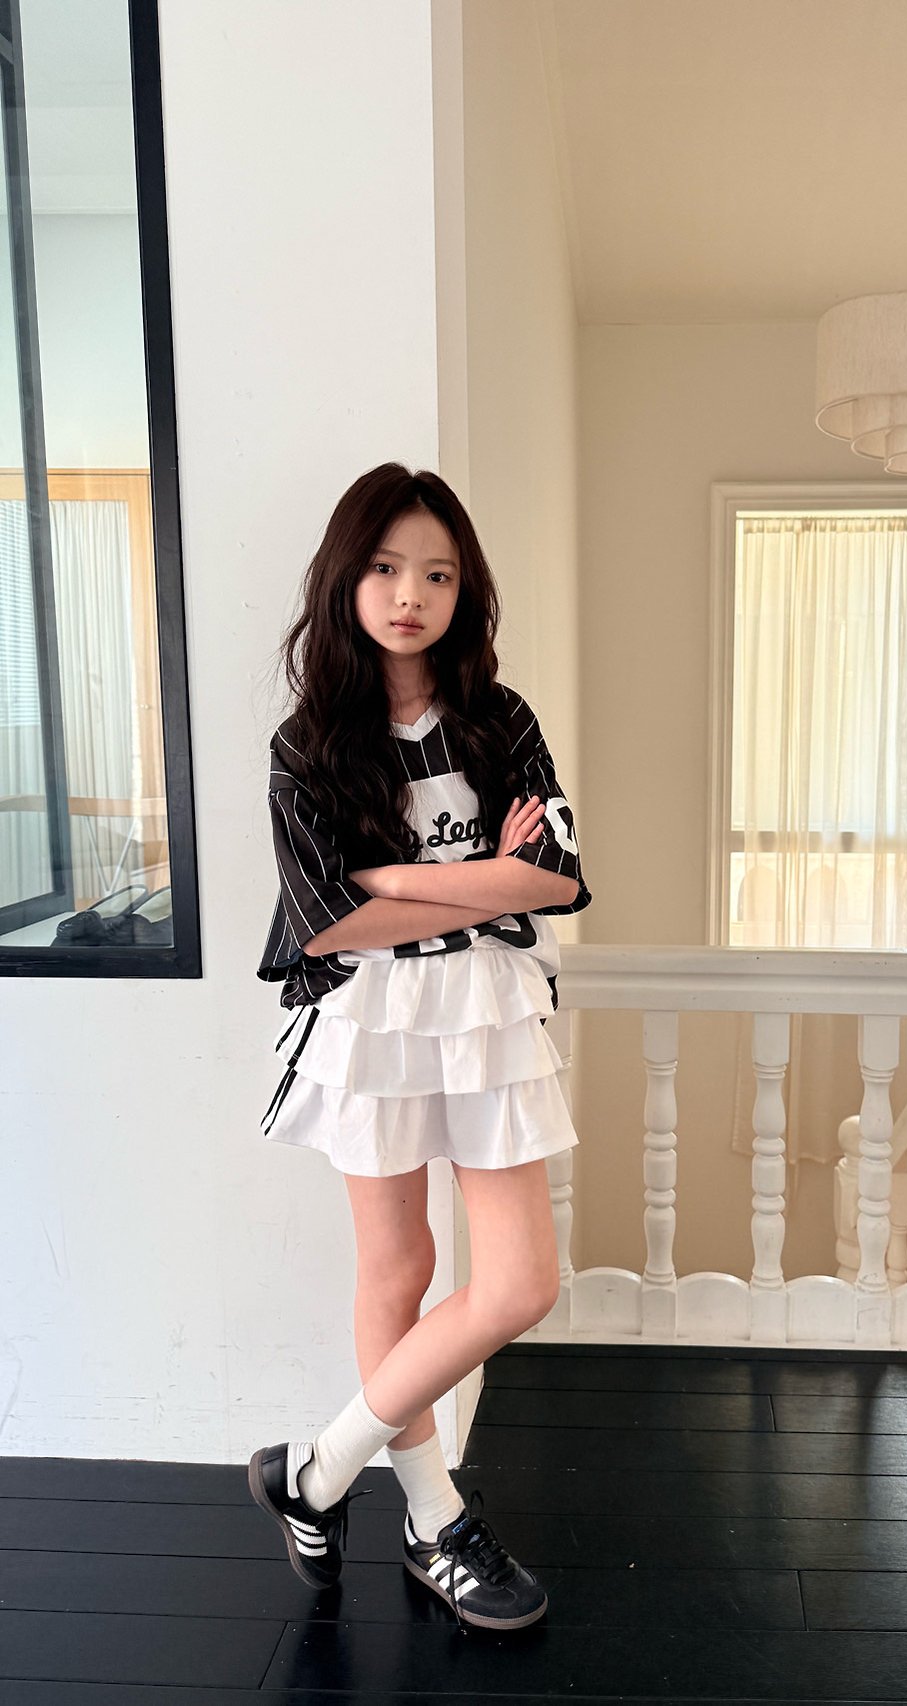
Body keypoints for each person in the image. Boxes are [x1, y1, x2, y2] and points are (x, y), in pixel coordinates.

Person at [247, 463, 591, 1634]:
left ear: (463, 590)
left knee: (518, 1282)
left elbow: (559, 876)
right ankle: (433, 1517)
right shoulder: (308, 745)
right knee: (397, 1270)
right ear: (346, 577)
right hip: (372, 1022)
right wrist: (479, 877)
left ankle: (317, 1470)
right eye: (388, 568)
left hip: (486, 1013)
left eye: (437, 574)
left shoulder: (500, 720)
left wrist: (395, 876)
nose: (410, 594)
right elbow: (324, 920)